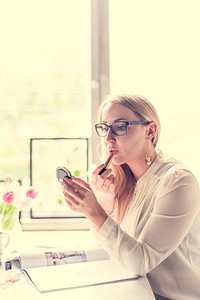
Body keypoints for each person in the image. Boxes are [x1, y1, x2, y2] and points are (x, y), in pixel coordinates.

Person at [60, 94, 200, 300]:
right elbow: (115, 253)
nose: (108, 139)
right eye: (104, 128)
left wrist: (95, 212)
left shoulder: (177, 181)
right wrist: (106, 206)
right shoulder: (127, 181)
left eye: (120, 127)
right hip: (135, 292)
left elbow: (140, 263)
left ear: (150, 131)